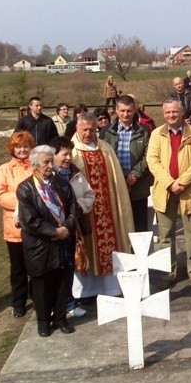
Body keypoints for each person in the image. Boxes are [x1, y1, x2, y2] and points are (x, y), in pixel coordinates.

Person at [69, 113, 134, 297]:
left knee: (109, 245)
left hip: (107, 207)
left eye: (92, 129)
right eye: (85, 129)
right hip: (85, 210)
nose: (89, 133)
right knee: (86, 248)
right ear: (77, 128)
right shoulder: (72, 152)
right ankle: (86, 292)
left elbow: (117, 181)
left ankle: (111, 288)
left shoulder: (105, 148)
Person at [17, 145, 79, 337]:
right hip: (40, 245)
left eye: (52, 161)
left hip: (63, 242)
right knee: (42, 284)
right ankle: (43, 322)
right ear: (35, 164)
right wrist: (54, 231)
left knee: (63, 281)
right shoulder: (25, 188)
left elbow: (73, 208)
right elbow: (30, 220)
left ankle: (61, 318)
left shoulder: (61, 183)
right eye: (46, 162)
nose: (51, 165)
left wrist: (66, 227)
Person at [146, 98, 191, 287]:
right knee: (166, 236)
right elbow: (152, 161)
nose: (171, 115)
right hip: (164, 191)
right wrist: (169, 183)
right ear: (163, 114)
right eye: (168, 112)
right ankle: (168, 273)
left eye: (175, 112)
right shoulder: (157, 134)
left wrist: (181, 182)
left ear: (182, 113)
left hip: (189, 191)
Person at [51, 137, 96, 317]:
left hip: (71, 228)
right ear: (53, 155)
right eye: (64, 154)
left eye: (70, 154)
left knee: (69, 266)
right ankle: (53, 306)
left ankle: (69, 303)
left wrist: (77, 208)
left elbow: (90, 194)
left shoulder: (76, 174)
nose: (68, 158)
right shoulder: (46, 176)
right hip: (52, 231)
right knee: (54, 269)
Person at [0, 131, 35, 318]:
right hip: (15, 227)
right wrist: (23, 201)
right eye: (18, 147)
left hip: (36, 225)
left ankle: (38, 296)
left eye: (25, 146)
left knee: (36, 264)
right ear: (12, 149)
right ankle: (19, 302)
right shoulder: (4, 169)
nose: (22, 150)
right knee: (18, 268)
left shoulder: (36, 166)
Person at [104, 95, 152, 232]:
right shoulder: (107, 132)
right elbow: (106, 156)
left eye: (129, 111)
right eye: (122, 110)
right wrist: (122, 176)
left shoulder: (144, 131)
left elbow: (148, 156)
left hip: (138, 185)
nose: (126, 114)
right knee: (119, 227)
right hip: (116, 185)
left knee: (140, 227)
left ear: (135, 110)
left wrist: (134, 176)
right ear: (117, 110)